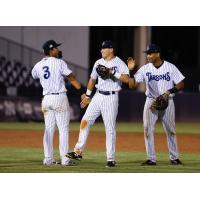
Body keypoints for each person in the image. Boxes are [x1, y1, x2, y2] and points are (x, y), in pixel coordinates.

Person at [66, 40, 130, 167]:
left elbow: (127, 79)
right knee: (85, 120)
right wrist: (88, 95)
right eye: (101, 48)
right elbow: (92, 79)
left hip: (111, 97)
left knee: (110, 128)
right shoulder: (98, 62)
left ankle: (111, 159)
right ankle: (78, 151)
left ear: (111, 50)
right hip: (98, 95)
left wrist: (112, 72)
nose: (101, 50)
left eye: (104, 48)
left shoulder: (119, 62)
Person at [127, 44, 185, 165]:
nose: (148, 56)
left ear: (158, 54)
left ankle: (174, 158)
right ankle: (151, 159)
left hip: (167, 101)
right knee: (147, 129)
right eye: (147, 53)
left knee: (171, 130)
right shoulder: (144, 69)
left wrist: (169, 92)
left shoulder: (170, 67)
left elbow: (180, 84)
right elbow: (132, 85)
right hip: (151, 101)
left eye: (150, 53)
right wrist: (131, 70)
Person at [31, 40, 84, 166]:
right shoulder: (60, 62)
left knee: (49, 130)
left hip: (46, 100)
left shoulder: (38, 65)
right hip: (59, 98)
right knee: (63, 129)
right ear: (51, 50)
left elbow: (34, 75)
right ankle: (65, 160)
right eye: (56, 48)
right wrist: (82, 91)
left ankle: (48, 159)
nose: (58, 50)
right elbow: (71, 77)